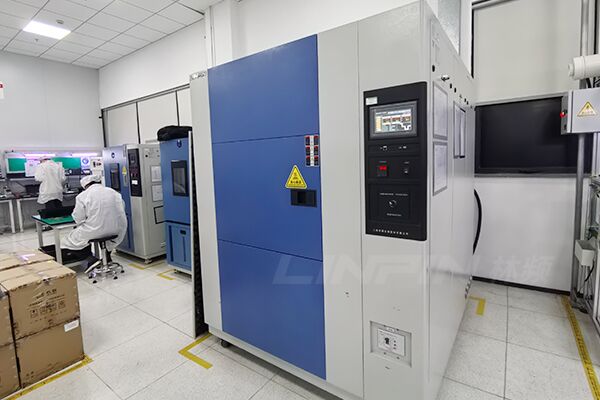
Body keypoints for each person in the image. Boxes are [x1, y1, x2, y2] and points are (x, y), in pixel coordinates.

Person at [62, 175, 128, 258]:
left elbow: (78, 218)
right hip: (116, 229)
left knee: (68, 240)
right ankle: (106, 258)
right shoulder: (114, 192)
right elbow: (121, 209)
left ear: (86, 186)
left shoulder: (82, 196)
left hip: (94, 231)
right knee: (106, 241)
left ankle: (89, 259)